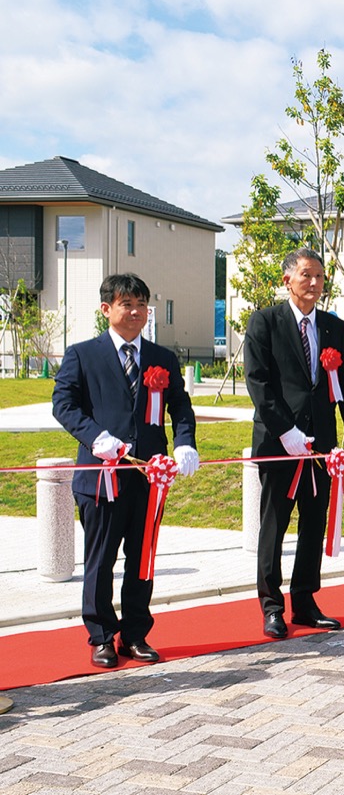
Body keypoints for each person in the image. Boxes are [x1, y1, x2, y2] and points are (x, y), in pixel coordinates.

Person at [52, 273, 199, 668]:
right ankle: (101, 635)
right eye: (126, 304)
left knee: (143, 560)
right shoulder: (82, 354)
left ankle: (135, 634)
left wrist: (185, 441)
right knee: (100, 561)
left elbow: (180, 407)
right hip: (101, 478)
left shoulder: (162, 358)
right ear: (107, 310)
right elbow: (64, 405)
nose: (136, 312)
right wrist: (94, 436)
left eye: (141, 305)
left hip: (149, 478)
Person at [244, 248, 344, 639]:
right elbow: (258, 383)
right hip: (279, 442)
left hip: (321, 446)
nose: (313, 283)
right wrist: (286, 431)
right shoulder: (265, 322)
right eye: (305, 276)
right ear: (287, 280)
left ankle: (306, 600)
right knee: (274, 525)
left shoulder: (334, 327)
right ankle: (271, 605)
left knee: (314, 524)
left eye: (319, 276)